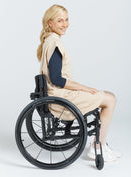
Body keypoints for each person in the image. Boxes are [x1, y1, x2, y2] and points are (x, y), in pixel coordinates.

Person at [37, 4, 121, 162]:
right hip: (61, 99)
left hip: (59, 94)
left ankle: (101, 143)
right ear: (50, 23)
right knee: (110, 99)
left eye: (66, 20)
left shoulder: (50, 41)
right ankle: (98, 145)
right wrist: (85, 88)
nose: (65, 24)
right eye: (60, 20)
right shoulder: (53, 44)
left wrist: (83, 89)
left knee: (108, 95)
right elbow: (57, 80)